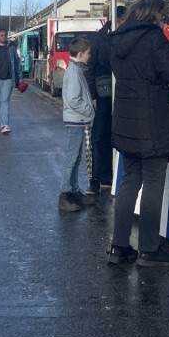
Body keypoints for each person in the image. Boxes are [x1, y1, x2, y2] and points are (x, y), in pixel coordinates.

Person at [107, 0, 169, 267]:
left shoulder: (118, 38)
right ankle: (149, 248)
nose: (164, 18)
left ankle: (119, 247)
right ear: (154, 12)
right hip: (152, 120)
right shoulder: (153, 37)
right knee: (154, 181)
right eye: (162, 13)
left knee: (130, 180)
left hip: (126, 119)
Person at [86, 5, 126, 194]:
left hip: (118, 93)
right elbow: (91, 67)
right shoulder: (100, 38)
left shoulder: (122, 37)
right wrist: (93, 94)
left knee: (113, 134)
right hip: (104, 95)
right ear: (117, 20)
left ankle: (111, 174)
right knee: (101, 135)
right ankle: (99, 176)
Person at [58, 37, 97, 213]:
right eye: (88, 53)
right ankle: (66, 192)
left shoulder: (75, 69)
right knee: (72, 157)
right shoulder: (74, 72)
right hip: (77, 120)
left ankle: (73, 190)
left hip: (78, 119)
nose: (90, 56)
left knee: (76, 157)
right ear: (80, 54)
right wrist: (89, 110)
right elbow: (74, 99)